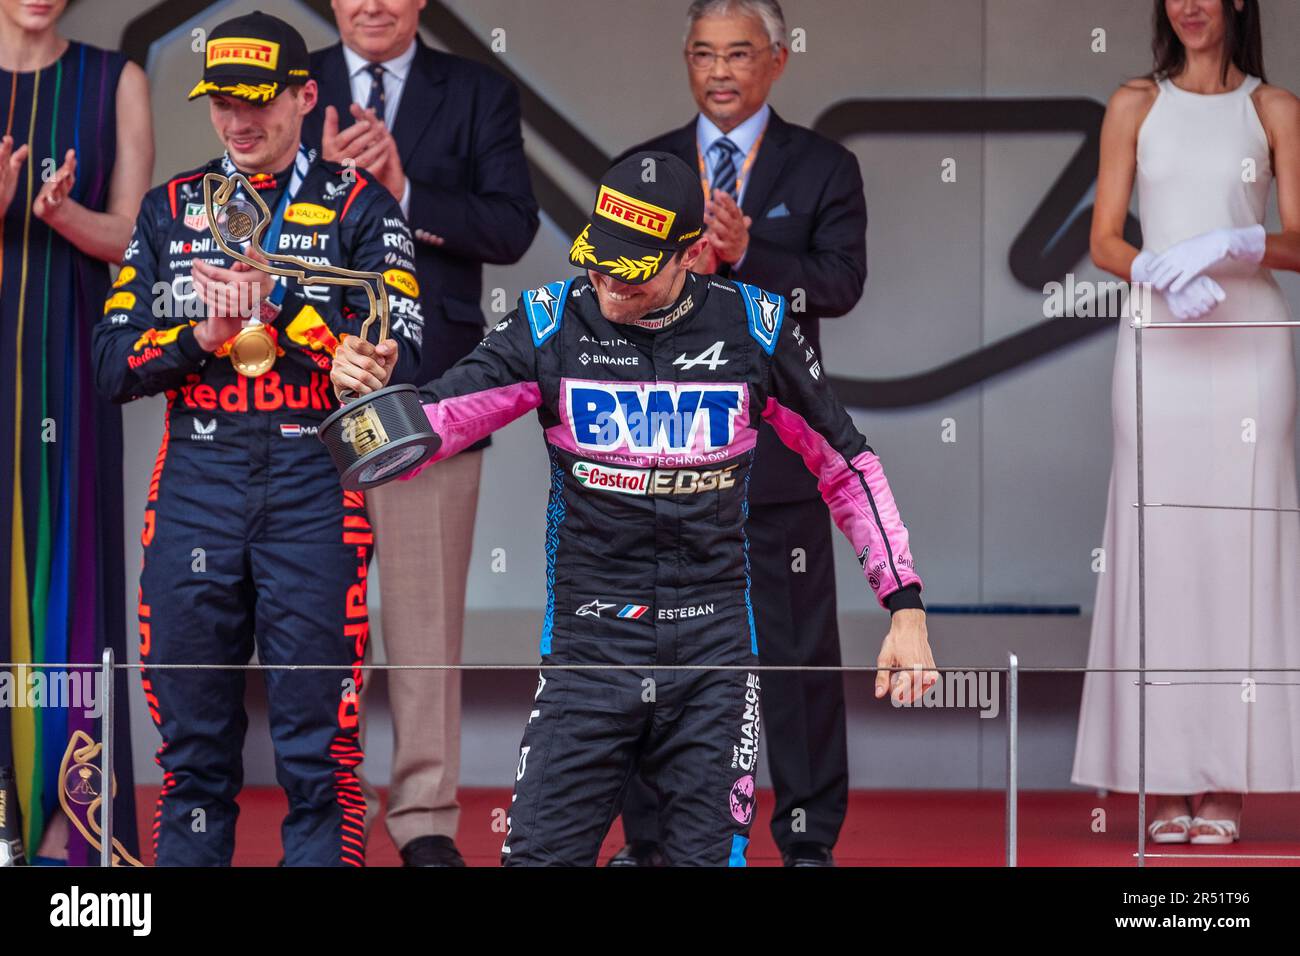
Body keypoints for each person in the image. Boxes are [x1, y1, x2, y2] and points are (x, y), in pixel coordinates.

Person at [332, 150, 934, 866]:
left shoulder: (756, 326)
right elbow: (437, 421)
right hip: (588, 651)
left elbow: (846, 463)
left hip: (713, 654)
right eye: (599, 256)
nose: (608, 278)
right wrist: (361, 399)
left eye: (633, 266)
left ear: (692, 253)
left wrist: (906, 607)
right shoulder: (551, 322)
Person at [92, 11, 422, 866]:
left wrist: (281, 307)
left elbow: (399, 355)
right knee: (194, 758)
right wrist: (201, 337)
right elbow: (110, 367)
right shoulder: (169, 211)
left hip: (317, 486)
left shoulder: (362, 204)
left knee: (320, 761)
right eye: (223, 102)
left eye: (260, 101)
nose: (241, 121)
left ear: (307, 97)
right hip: (198, 484)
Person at [610, 0, 867, 867]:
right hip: (660, 449)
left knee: (795, 655)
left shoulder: (825, 166)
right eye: (703, 53)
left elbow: (839, 286)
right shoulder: (640, 168)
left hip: (779, 454)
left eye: (739, 53)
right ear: (685, 60)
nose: (720, 70)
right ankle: (653, 840)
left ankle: (805, 837)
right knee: (656, 647)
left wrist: (752, 254)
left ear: (779, 61)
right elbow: (609, 287)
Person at [302, 0, 539, 868]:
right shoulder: (297, 84)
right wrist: (314, 185)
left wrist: (403, 188)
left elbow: (513, 226)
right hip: (301, 388)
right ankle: (321, 809)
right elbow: (232, 221)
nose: (371, 3)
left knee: (425, 617)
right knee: (309, 614)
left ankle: (426, 817)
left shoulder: (478, 91)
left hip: (429, 387)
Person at [1074, 0, 1300, 846]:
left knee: (1241, 551)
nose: (1191, 5)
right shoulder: (1135, 102)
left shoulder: (1275, 110)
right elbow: (1104, 239)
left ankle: (1228, 781)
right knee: (1159, 546)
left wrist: (1239, 246)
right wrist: (1159, 265)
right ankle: (1162, 774)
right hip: (1161, 341)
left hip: (1248, 350)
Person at [0, 0, 152, 865]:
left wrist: (58, 214)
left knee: (72, 573)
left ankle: (70, 837)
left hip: (65, 359)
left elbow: (135, 238)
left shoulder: (114, 80)